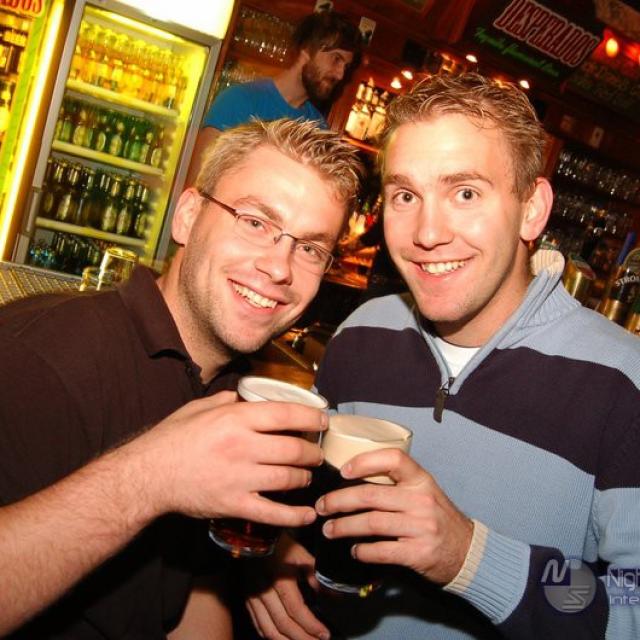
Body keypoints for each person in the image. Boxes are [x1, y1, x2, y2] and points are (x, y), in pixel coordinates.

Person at [245, 74, 640, 639]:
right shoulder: (363, 333)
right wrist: (273, 554)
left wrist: (472, 557)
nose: (427, 233)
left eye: (466, 193)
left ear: (532, 210)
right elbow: (307, 492)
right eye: (406, 196)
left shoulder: (623, 383)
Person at [0, 118, 362, 638]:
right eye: (255, 222)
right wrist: (149, 479)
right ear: (188, 217)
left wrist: (251, 562)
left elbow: (183, 593)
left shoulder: (234, 389)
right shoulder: (39, 356)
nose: (280, 268)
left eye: (309, 248)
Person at [185, 10, 362, 186]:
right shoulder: (239, 100)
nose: (340, 74)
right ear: (306, 50)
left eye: (346, 66)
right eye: (336, 59)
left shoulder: (318, 129)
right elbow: (198, 182)